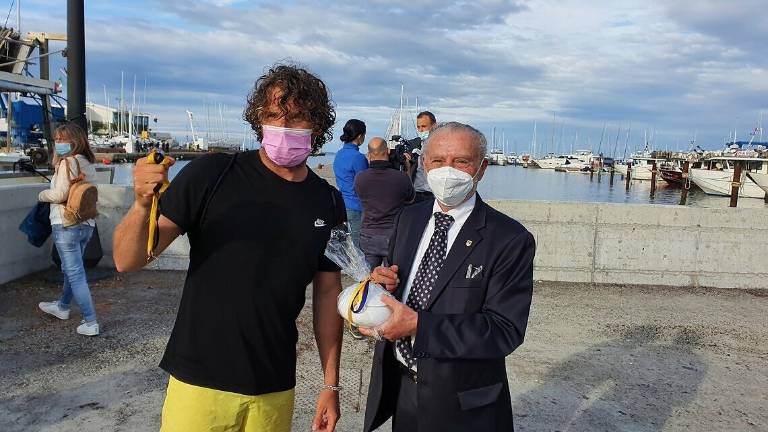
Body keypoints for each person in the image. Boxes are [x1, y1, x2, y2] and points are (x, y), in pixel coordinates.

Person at [112, 64, 344, 432]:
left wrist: (330, 384)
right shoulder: (213, 174)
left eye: (297, 117)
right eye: (272, 116)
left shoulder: (328, 201)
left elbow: (329, 294)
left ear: (317, 126)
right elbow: (128, 260)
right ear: (258, 120)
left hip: (275, 384)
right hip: (198, 381)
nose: (283, 127)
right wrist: (141, 203)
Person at [360, 122, 536, 432]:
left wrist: (419, 325)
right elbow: (394, 286)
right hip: (403, 392)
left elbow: (504, 330)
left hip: (464, 406)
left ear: (481, 169)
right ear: (425, 165)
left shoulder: (509, 239)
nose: (448, 171)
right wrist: (379, 287)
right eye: (439, 161)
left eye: (461, 161)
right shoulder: (408, 217)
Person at [37, 123, 100, 337]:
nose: (58, 144)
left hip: (66, 224)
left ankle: (90, 322)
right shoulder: (87, 163)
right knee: (73, 270)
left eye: (62, 140)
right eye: (56, 139)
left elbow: (59, 195)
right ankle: (62, 306)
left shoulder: (67, 163)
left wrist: (42, 195)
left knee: (75, 273)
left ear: (74, 141)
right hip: (86, 224)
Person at [354, 137, 414, 268]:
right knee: (392, 279)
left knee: (368, 277)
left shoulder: (360, 178)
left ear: (369, 155)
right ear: (387, 151)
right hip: (393, 236)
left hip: (368, 235)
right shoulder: (400, 178)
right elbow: (411, 198)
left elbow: (359, 195)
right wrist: (408, 170)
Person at [333, 119, 368, 247]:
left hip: (342, 204)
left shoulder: (339, 154)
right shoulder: (358, 157)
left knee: (344, 248)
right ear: (360, 136)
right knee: (359, 248)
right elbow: (364, 184)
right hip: (356, 205)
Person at [412, 111, 437, 202]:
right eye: (418, 127)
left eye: (424, 126)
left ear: (434, 126)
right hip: (416, 193)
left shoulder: (441, 146)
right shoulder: (415, 144)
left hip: (434, 194)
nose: (420, 130)